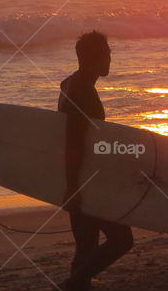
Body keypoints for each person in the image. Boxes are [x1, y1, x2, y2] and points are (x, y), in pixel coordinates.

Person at [59, 31, 133, 291]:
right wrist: (73, 186)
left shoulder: (72, 85)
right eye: (108, 52)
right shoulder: (82, 92)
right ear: (97, 57)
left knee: (85, 247)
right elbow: (74, 140)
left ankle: (77, 284)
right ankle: (73, 283)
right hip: (86, 181)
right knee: (122, 239)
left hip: (82, 177)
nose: (111, 57)